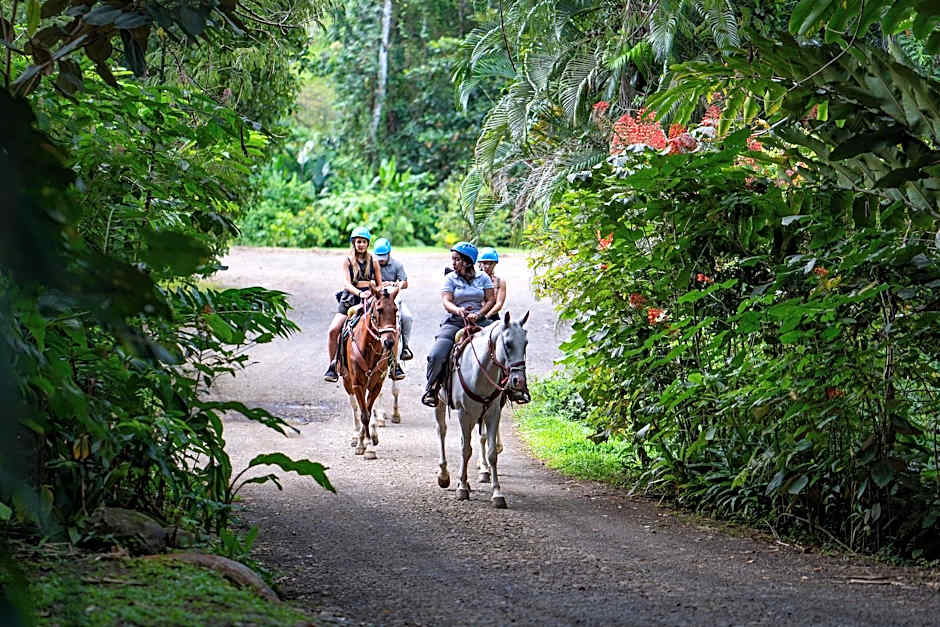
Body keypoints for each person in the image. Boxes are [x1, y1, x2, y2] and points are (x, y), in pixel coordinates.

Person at [421, 241, 495, 407]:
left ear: (467, 261)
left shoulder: (483, 278)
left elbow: (491, 299)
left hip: (480, 319)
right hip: (455, 321)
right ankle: (432, 388)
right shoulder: (450, 278)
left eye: (457, 260)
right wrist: (458, 311)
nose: (453, 263)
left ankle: (509, 387)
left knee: (504, 342)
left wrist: (479, 314)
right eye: (452, 259)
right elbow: (446, 301)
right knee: (436, 354)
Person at [323, 226, 384, 383]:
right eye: (358, 242)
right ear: (354, 243)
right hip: (351, 298)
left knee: (386, 324)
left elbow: (380, 284)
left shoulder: (374, 261)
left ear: (368, 243)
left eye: (364, 242)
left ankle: (392, 362)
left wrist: (372, 292)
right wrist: (359, 293)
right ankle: (333, 365)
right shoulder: (347, 261)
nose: (361, 245)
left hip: (370, 299)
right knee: (334, 330)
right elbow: (347, 283)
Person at [374, 237, 412, 381]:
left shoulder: (397, 265)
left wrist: (398, 285)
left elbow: (405, 282)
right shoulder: (372, 264)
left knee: (407, 317)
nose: (381, 260)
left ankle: (405, 347)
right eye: (379, 257)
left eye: (383, 257)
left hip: (393, 298)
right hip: (377, 298)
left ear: (389, 253)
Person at [477, 247, 507, 323]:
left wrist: (485, 317)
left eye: (490, 263)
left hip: (492, 315)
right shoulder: (473, 279)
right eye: (484, 263)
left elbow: (499, 304)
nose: (487, 266)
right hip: (474, 314)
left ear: (495, 264)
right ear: (479, 263)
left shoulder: (500, 281)